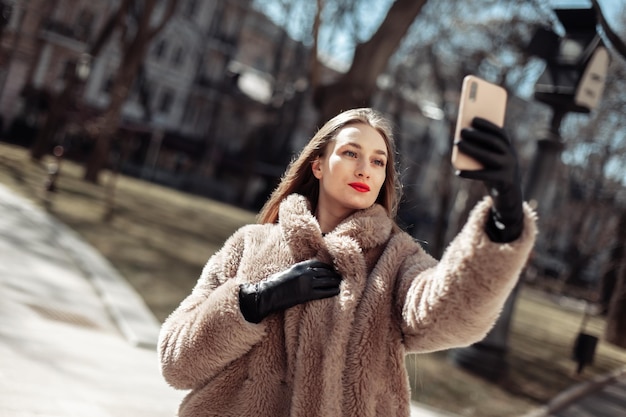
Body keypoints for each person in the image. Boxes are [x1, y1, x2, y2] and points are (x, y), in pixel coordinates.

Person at [158, 108, 537, 417]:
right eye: (351, 153)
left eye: (378, 161)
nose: (364, 170)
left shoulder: (397, 259)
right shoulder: (248, 244)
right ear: (318, 165)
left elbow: (451, 312)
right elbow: (176, 362)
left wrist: (505, 218)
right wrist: (255, 301)